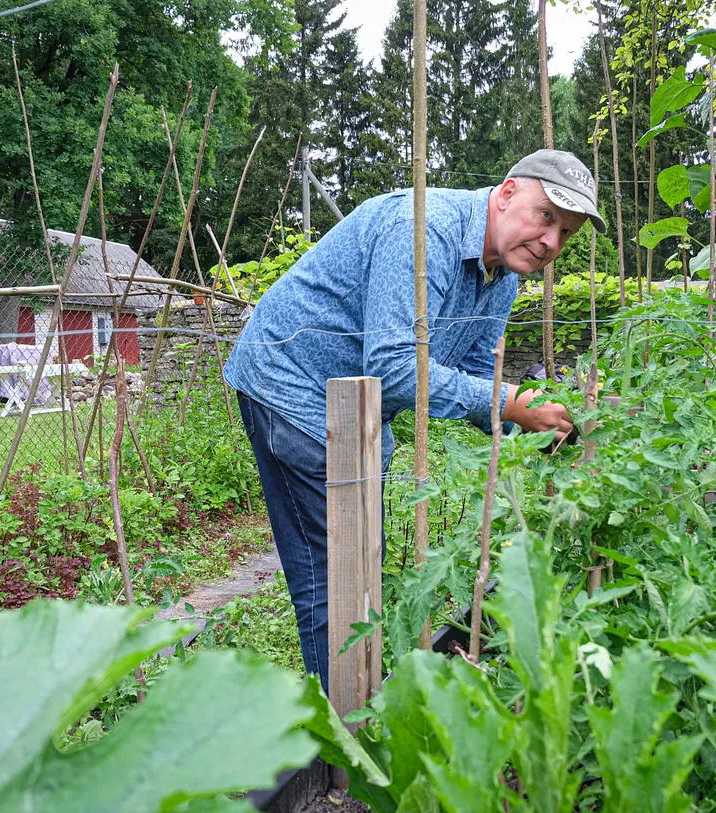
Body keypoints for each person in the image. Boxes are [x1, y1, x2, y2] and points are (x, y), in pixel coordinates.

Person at [223, 149, 605, 688]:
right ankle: (346, 730)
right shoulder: (423, 229)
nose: (551, 243)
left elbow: (474, 371)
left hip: (357, 410)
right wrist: (509, 404)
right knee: (334, 573)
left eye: (566, 234)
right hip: (293, 386)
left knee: (359, 565)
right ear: (508, 191)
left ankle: (358, 700)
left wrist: (542, 426)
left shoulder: (502, 279)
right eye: (547, 217)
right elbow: (395, 367)